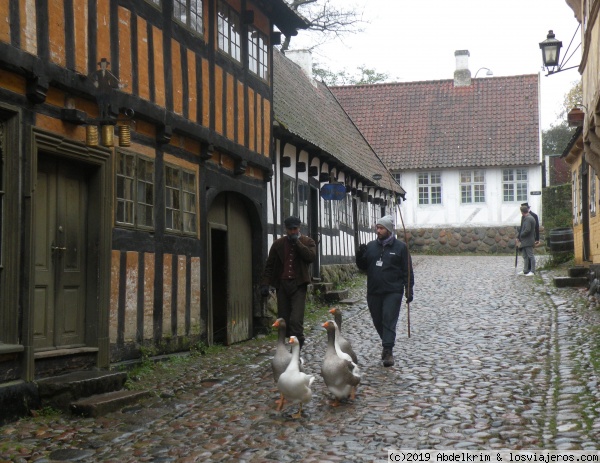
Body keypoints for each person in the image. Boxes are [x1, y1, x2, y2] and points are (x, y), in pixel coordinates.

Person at [356, 215, 414, 367]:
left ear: (388, 230)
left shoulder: (400, 248)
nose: (378, 231)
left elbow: (407, 270)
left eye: (381, 228)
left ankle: (388, 350)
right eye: (377, 228)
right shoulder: (371, 246)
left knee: (389, 319)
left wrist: (409, 289)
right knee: (378, 321)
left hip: (393, 291)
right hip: (374, 291)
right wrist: (359, 255)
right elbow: (363, 267)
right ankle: (386, 342)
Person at [260, 216, 316, 350]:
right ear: (286, 229)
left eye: (295, 229)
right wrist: (265, 284)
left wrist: (297, 243)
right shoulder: (278, 244)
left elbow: (310, 257)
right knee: (284, 320)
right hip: (282, 286)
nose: (292, 232)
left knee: (296, 320)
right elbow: (270, 265)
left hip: (299, 285)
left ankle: (297, 346)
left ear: (299, 228)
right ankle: (286, 346)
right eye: (290, 229)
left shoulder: (308, 241)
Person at [518, 202, 539, 274]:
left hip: (528, 240)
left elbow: (527, 229)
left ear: (522, 212)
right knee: (525, 256)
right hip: (525, 241)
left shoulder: (528, 218)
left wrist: (521, 235)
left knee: (530, 256)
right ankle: (525, 270)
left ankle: (532, 271)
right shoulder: (527, 218)